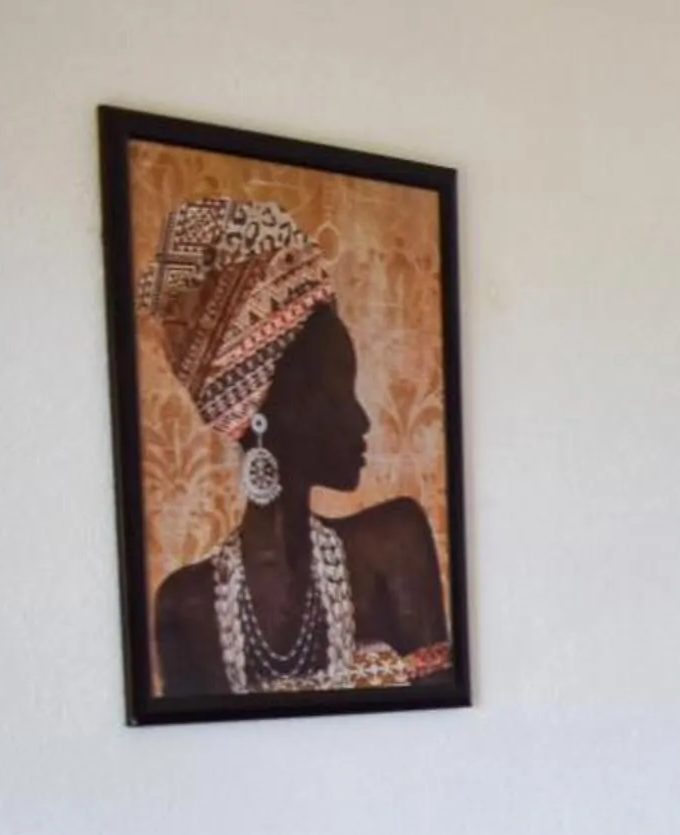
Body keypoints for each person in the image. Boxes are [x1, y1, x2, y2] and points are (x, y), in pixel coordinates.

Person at [138, 196, 450, 697]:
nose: (362, 419)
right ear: (267, 412)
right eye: (337, 393)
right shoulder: (185, 604)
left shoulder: (392, 544)